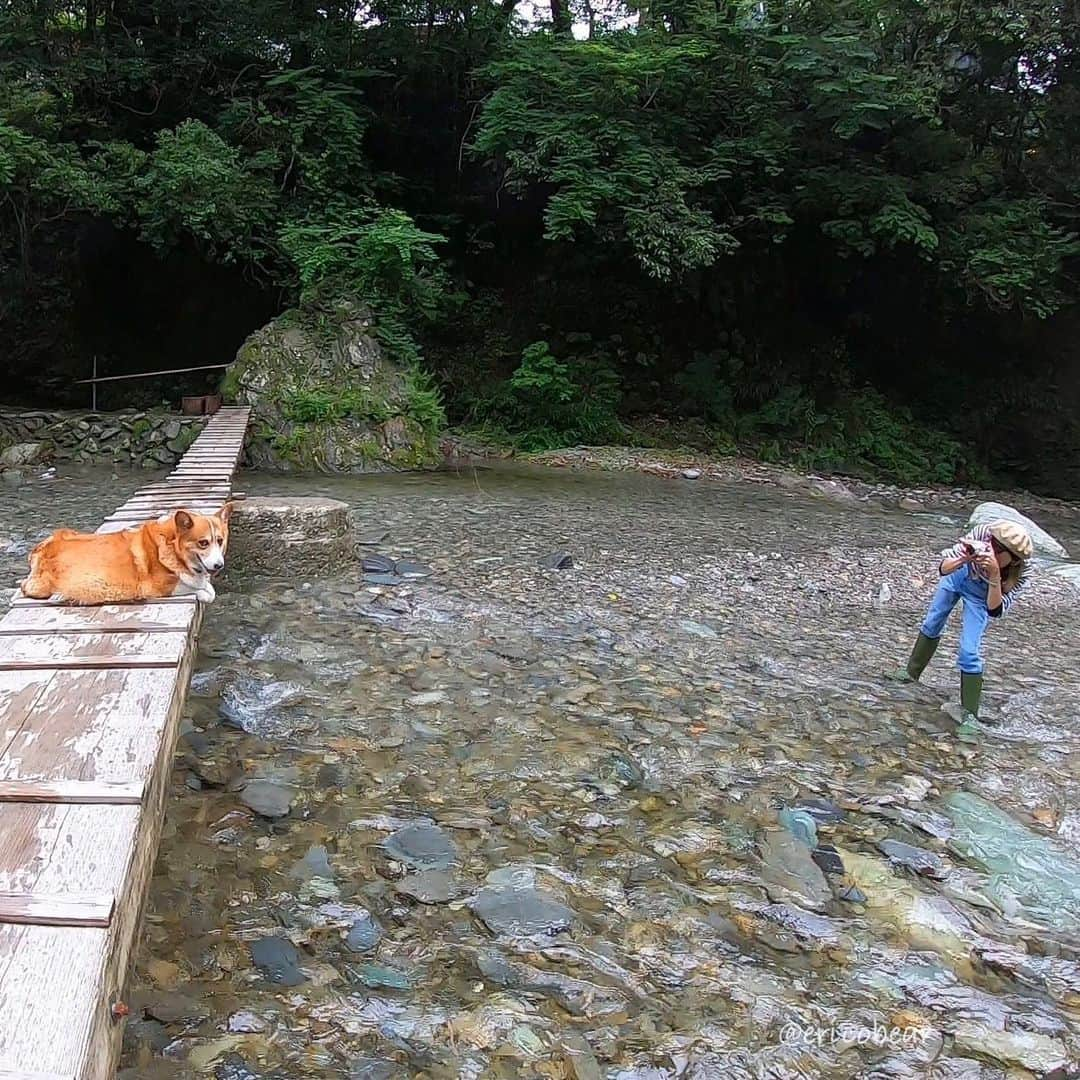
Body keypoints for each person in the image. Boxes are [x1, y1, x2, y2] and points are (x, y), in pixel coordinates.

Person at [889, 520, 1034, 720]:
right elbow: (943, 569)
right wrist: (966, 558)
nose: (990, 550)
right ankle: (911, 674)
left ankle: (970, 716)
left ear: (1014, 560)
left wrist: (994, 573)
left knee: (969, 651)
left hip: (983, 595)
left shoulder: (1023, 572)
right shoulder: (983, 532)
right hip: (959, 575)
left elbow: (995, 610)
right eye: (992, 543)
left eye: (998, 550)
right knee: (932, 622)